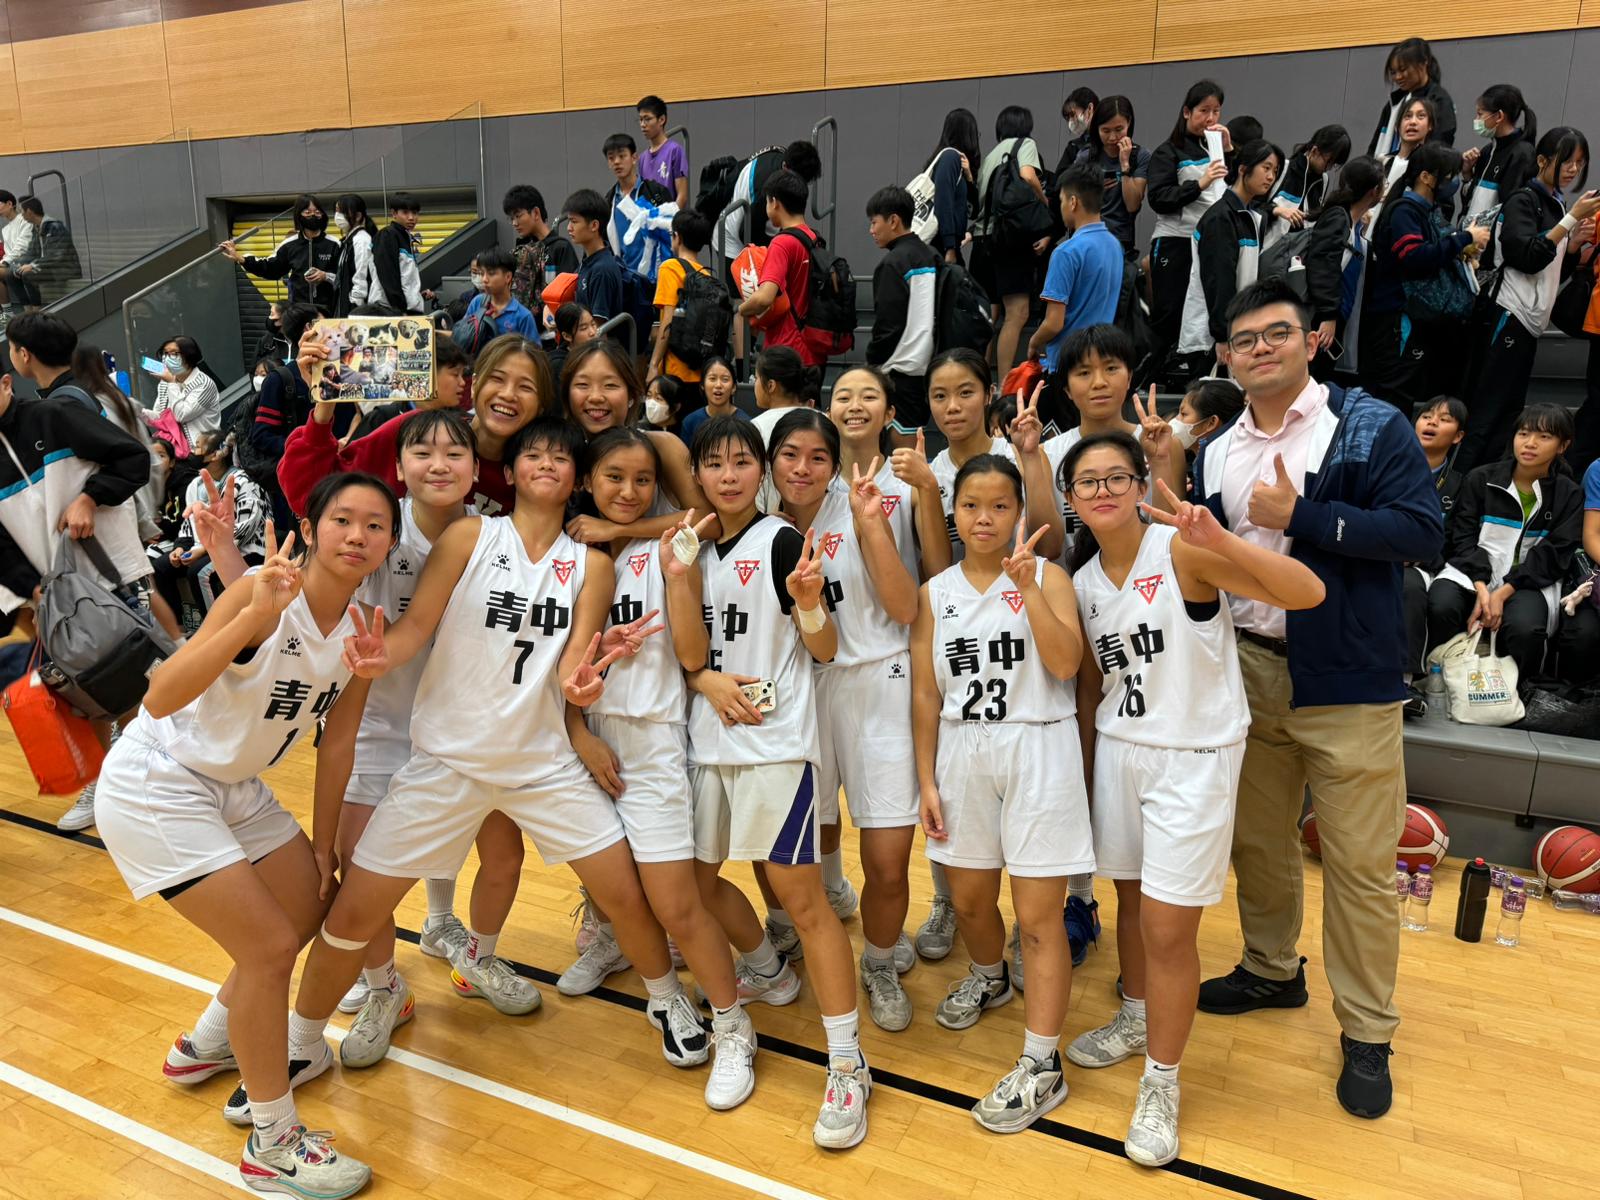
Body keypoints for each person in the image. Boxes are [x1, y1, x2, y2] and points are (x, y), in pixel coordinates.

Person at [94, 474, 394, 1197]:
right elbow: (159, 696)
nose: (357, 536)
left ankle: (205, 1044)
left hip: (234, 785)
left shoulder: (361, 629)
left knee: (306, 904)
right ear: (313, 526)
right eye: (342, 519)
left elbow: (340, 745)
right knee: (267, 948)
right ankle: (273, 1142)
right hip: (159, 779)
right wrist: (252, 608)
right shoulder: (261, 594)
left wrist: (324, 848)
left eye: (376, 525)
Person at [1191, 279, 1443, 1122]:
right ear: (1226, 354)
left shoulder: (1369, 426)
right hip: (1251, 672)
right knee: (1257, 843)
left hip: (1351, 681)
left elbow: (1420, 532)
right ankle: (1271, 969)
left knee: (1362, 869)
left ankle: (1369, 1030)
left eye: (1278, 334)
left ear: (1312, 341)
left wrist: (1310, 515)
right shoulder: (1217, 448)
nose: (1260, 349)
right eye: (1245, 339)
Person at [1064, 431, 1323, 1166]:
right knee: (1135, 909)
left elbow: (1308, 592)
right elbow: (1092, 690)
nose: (1105, 490)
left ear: (1141, 483)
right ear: (1073, 499)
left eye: (1119, 476)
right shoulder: (1082, 584)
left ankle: (1162, 1082)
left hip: (1196, 758)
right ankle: (1139, 1015)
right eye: (1089, 482)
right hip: (1121, 753)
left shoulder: (1179, 553)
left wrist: (1225, 542)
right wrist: (1085, 775)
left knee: (1173, 933)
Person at [311, 412, 537, 1062]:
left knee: (503, 857)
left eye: (453, 452)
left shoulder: (502, 538)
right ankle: (386, 988)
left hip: (469, 730)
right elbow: (316, 503)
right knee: (359, 874)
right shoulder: (377, 531)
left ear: (475, 467)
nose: (438, 463)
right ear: (400, 465)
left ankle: (473, 955)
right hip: (383, 727)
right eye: (422, 451)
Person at [680, 414, 873, 1148]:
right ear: (697, 474)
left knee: (801, 896)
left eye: (741, 463)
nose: (728, 476)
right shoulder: (688, 551)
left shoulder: (782, 541)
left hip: (776, 745)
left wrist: (810, 601)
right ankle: (765, 968)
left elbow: (824, 649)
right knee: (695, 887)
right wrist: (702, 678)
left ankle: (848, 1064)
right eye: (714, 464)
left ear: (760, 473)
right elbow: (688, 654)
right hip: (707, 743)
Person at [561, 426, 758, 1101]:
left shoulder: (670, 547)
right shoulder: (564, 553)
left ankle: (734, 1025)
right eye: (613, 477)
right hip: (580, 742)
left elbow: (692, 652)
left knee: (676, 902)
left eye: (642, 479)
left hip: (650, 744)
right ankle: (666, 998)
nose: (628, 490)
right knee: (617, 896)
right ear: (585, 482)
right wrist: (577, 731)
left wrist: (677, 577)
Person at [912, 452, 1087, 1133]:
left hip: (1039, 745)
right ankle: (990, 976)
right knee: (970, 899)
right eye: (971, 506)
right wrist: (926, 777)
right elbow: (927, 691)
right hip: (962, 751)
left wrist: (1029, 590)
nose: (985, 518)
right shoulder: (936, 591)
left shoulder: (1049, 577)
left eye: (1000, 506)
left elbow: (1068, 663)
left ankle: (1043, 1063)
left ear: (1020, 512)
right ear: (954, 514)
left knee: (1039, 916)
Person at [762, 397, 923, 1032]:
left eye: (817, 458)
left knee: (886, 858)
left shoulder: (860, 507)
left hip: (876, 683)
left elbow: (906, 607)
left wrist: (870, 527)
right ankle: (807, 922)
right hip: (800, 692)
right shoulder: (760, 522)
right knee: (805, 840)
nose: (802, 468)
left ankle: (879, 963)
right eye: (790, 456)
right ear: (771, 462)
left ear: (834, 466)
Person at [0, 315, 155, 832]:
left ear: (8, 380)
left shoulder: (54, 417)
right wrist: (31, 588)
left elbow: (133, 458)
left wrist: (91, 496)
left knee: (135, 687)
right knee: (82, 692)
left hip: (109, 578)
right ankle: (105, 785)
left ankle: (146, 783)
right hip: (53, 596)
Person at [282, 332, 556, 519]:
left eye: (526, 387)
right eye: (497, 379)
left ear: (542, 405)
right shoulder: (415, 434)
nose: (508, 394)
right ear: (473, 388)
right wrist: (324, 402)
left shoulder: (542, 474)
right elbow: (309, 495)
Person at [1457, 131, 1598, 473]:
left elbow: (1551, 268)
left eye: (1579, 163)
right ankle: (1453, 491)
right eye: (1566, 161)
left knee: (1509, 414)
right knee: (1486, 412)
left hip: (1530, 323)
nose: (1572, 169)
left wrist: (1574, 245)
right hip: (1509, 314)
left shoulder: (1557, 203)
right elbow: (1524, 256)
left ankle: (1482, 487)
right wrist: (1568, 224)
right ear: (1542, 160)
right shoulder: (1524, 199)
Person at [1428, 404, 1583, 685]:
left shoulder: (1568, 494)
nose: (1530, 443)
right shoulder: (1481, 479)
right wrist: (1482, 586)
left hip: (1529, 581)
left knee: (1525, 627)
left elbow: (1554, 554)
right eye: (1523, 433)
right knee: (1442, 603)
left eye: (1544, 437)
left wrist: (1502, 593)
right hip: (1472, 572)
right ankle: (1435, 681)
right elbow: (1461, 537)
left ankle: (1519, 693)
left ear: (1563, 446)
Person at [1361, 143, 1488, 409]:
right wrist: (1464, 238)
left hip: (1416, 319)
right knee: (1391, 397)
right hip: (1397, 316)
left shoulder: (1428, 211)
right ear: (1426, 177)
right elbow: (1415, 258)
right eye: (1450, 175)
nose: (1452, 181)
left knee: (1406, 395)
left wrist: (1463, 250)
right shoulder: (1404, 211)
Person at [1026, 165, 1126, 428]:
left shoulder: (1066, 252)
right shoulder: (1114, 245)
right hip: (1102, 360)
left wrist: (1034, 342)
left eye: (1060, 201)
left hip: (1067, 365)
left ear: (1072, 202)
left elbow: (1054, 322)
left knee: (1059, 447)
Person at [149, 434, 270, 634]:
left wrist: (205, 550)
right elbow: (188, 524)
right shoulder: (195, 485)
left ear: (216, 454)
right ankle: (180, 627)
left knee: (199, 571)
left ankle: (217, 631)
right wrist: (181, 547)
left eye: (197, 447)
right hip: (206, 547)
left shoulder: (242, 480)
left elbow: (247, 527)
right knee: (162, 567)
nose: (192, 452)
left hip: (247, 547)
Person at [1178, 141, 1285, 365]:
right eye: (1266, 168)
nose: (1271, 177)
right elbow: (1219, 281)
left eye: (1275, 171)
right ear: (1243, 168)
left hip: (1236, 332)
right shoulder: (1221, 218)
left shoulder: (1249, 216)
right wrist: (1222, 336)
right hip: (1211, 340)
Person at [1148, 81, 1231, 367]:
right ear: (1186, 112)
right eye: (1203, 110)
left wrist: (1230, 150)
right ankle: (1151, 376)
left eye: (1216, 111)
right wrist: (1200, 183)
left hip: (1209, 241)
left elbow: (1235, 191)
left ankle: (1191, 375)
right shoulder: (1168, 151)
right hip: (1176, 240)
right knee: (1170, 312)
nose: (1210, 118)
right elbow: (1159, 198)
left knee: (1203, 311)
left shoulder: (1218, 149)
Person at [970, 106, 1050, 379]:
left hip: (982, 242)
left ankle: (980, 383)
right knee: (1017, 313)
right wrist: (1043, 202)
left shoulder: (991, 156)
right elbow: (1028, 175)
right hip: (1009, 243)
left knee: (988, 316)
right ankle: (1005, 384)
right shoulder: (1024, 144)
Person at [1402, 396, 1468, 707]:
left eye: (1443, 419)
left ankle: (1403, 681)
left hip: (1422, 565)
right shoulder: (1387, 466)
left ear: (1458, 437)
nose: (1431, 422)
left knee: (1410, 585)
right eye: (1427, 415)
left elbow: (1457, 538)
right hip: (1375, 554)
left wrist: (1423, 555)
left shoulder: (1460, 485)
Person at [865, 185, 942, 437]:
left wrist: (872, 363)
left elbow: (889, 324)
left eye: (874, 222)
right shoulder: (932, 256)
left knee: (902, 459)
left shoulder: (892, 264)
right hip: (930, 369)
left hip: (899, 372)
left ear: (894, 221)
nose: (871, 230)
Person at [1299, 155, 1386, 367]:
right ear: (1374, 191)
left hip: (1335, 319)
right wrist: (1329, 315)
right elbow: (1322, 266)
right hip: (1320, 319)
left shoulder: (1353, 224)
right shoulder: (1338, 217)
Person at [738, 169, 826, 368]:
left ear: (775, 202)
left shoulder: (782, 243)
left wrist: (740, 309)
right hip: (813, 351)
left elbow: (764, 298)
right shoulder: (814, 238)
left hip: (784, 351)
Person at [246, 302, 320, 527]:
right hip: (299, 480)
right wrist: (303, 446)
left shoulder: (347, 375)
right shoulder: (281, 379)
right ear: (310, 329)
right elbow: (261, 435)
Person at [712, 140, 822, 269]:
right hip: (732, 243)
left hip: (753, 229)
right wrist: (777, 251)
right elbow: (746, 233)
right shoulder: (768, 190)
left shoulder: (786, 160)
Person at [221, 194, 340, 312]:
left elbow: (346, 278)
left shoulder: (335, 244)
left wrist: (326, 276)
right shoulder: (289, 245)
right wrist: (241, 259)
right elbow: (271, 268)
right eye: (307, 212)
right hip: (298, 312)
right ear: (299, 216)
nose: (313, 215)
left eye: (317, 212)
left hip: (330, 311)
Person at [649, 208, 720, 386]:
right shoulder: (707, 276)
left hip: (676, 370)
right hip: (702, 370)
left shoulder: (670, 267)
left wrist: (653, 364)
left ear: (677, 237)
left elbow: (668, 320)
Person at [1459, 84, 1540, 239]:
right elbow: (1472, 202)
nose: (1476, 120)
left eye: (1480, 114)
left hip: (1491, 247)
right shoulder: (1487, 151)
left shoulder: (1522, 153)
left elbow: (1508, 209)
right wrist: (1467, 174)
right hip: (1471, 242)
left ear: (1499, 116)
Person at [1073, 96, 1149, 257]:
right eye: (1106, 131)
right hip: (1086, 235)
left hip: (1119, 239)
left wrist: (1125, 166)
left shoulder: (1140, 156)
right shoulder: (1085, 157)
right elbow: (1071, 204)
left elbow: (1133, 205)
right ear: (1097, 129)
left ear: (1129, 123)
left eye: (1119, 129)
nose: (1113, 137)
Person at [1367, 37, 1456, 157]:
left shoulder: (1439, 100)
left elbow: (1441, 144)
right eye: (1393, 72)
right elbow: (1374, 146)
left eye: (1403, 70)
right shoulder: (1394, 103)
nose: (1398, 77)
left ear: (1424, 63)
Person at [604, 132, 675, 282]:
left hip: (655, 277)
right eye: (611, 158)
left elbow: (672, 231)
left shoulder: (656, 193)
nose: (617, 162)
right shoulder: (609, 200)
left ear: (634, 158)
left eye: (622, 156)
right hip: (624, 281)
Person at [503, 184, 579, 314]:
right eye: (511, 218)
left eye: (518, 216)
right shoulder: (521, 251)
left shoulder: (560, 248)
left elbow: (569, 294)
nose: (514, 223)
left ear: (536, 213)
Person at [145, 334, 222, 451]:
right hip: (175, 447)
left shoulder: (204, 384)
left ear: (189, 356)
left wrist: (172, 383)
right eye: (165, 353)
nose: (167, 358)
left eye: (174, 353)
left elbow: (181, 415)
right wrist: (136, 410)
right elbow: (160, 416)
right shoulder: (166, 382)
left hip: (200, 449)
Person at [927, 109, 980, 265]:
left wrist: (970, 178)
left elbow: (973, 212)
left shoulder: (958, 165)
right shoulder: (950, 158)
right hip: (941, 247)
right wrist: (950, 247)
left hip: (945, 245)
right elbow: (943, 204)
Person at [566, 189, 626, 323]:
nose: (569, 228)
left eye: (574, 222)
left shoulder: (602, 270)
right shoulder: (588, 261)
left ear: (594, 225)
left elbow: (598, 330)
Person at [463, 246, 542, 342]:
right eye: (482, 273)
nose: (484, 279)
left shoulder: (523, 316)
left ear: (508, 277)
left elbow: (533, 353)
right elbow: (463, 335)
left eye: (491, 273)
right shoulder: (477, 302)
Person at [1273, 125, 1351, 218]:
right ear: (1315, 151)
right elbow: (1256, 205)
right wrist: (1276, 210)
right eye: (1329, 161)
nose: (1329, 168)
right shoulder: (1283, 168)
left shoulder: (1324, 180)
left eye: (1334, 164)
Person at [10, 197, 80, 299]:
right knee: (10, 275)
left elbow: (56, 256)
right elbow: (31, 252)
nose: (21, 215)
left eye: (22, 212)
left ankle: (35, 310)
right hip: (46, 267)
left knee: (27, 275)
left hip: (63, 269)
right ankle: (27, 309)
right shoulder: (36, 228)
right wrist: (17, 264)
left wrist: (33, 265)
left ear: (29, 211)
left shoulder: (55, 227)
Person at [367, 193, 425, 314]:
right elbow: (388, 275)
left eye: (414, 213)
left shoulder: (405, 237)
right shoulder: (387, 235)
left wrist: (417, 296)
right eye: (405, 212)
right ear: (394, 213)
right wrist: (399, 308)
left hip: (403, 309)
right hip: (388, 310)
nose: (411, 217)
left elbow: (405, 277)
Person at [678, 355, 745, 444]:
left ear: (733, 387)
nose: (718, 385)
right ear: (702, 385)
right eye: (712, 379)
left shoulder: (745, 423)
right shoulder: (690, 422)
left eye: (725, 379)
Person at [332, 194, 379, 318]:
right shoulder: (347, 241)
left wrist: (356, 306)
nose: (337, 216)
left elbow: (361, 276)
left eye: (341, 212)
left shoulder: (361, 240)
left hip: (356, 309)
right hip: (346, 305)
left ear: (358, 216)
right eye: (336, 211)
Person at [637, 96, 690, 208]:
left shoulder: (675, 151)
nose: (642, 124)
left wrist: (669, 221)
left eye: (647, 119)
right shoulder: (642, 158)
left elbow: (682, 196)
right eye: (641, 119)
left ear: (661, 119)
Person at [0, 189, 37, 320]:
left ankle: (10, 313)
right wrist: (4, 262)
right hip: (14, 263)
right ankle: (8, 313)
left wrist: (4, 263)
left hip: (29, 260)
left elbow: (22, 246)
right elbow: (9, 252)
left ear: (9, 204)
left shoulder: (25, 219)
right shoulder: (5, 229)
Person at [1055, 87, 1101, 180]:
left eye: (1073, 115)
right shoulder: (1074, 146)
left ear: (1090, 108)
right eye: (1068, 119)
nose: (1071, 122)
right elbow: (1060, 181)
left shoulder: (1109, 141)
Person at [550, 301, 598, 379]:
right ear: (567, 336)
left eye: (593, 324)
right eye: (584, 328)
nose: (592, 332)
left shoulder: (599, 354)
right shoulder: (559, 365)